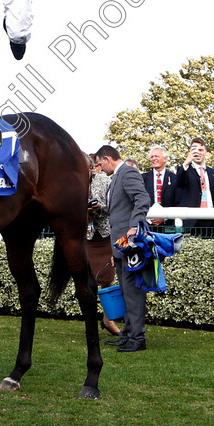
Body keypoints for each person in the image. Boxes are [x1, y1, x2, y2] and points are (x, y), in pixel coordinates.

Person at [95, 145, 151, 352]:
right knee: (126, 291)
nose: (100, 168)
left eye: (100, 164)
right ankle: (128, 335)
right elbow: (117, 210)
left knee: (133, 292)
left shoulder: (127, 172)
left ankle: (137, 339)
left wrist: (135, 226)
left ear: (108, 159)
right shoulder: (116, 178)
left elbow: (143, 199)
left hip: (130, 244)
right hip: (120, 247)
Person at [86, 155, 121, 336]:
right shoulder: (73, 180)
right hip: (87, 237)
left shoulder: (104, 180)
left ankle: (108, 320)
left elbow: (113, 205)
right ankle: (90, 321)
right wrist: (85, 209)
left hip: (105, 234)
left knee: (108, 279)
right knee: (88, 281)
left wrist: (99, 207)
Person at [175, 138, 214, 238]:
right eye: (194, 150)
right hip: (191, 220)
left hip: (210, 219)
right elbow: (179, 182)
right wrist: (186, 162)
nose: (198, 153)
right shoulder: (185, 169)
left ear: (206, 152)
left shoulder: (212, 172)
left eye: (201, 150)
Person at [141, 145, 178, 227]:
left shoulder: (174, 178)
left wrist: (164, 218)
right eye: (152, 157)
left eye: (156, 156)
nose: (154, 159)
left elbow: (177, 202)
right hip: (147, 225)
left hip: (169, 225)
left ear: (165, 159)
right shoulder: (143, 178)